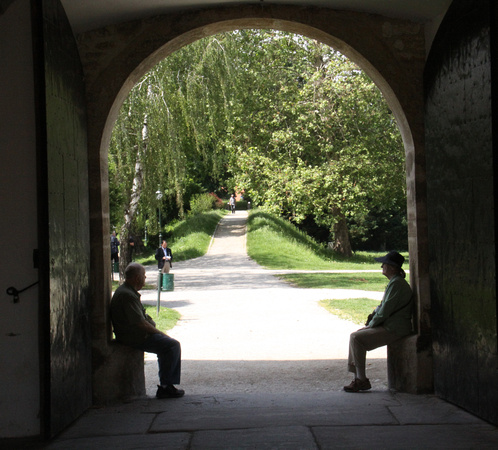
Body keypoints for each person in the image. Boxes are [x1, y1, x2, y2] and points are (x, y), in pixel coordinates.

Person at [110, 263, 184, 399]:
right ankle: (166, 386)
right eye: (144, 276)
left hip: (133, 334)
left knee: (167, 346)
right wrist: (160, 333)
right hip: (135, 337)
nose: (145, 280)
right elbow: (140, 323)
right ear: (137, 278)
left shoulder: (127, 292)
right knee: (172, 345)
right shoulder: (127, 295)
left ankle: (166, 385)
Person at [344, 251, 413, 393]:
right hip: (392, 325)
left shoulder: (397, 284)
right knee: (355, 337)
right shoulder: (395, 283)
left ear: (393, 268)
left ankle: (361, 380)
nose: (382, 266)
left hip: (395, 328)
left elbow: (386, 309)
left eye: (385, 264)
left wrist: (371, 324)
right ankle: (359, 378)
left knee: (356, 338)